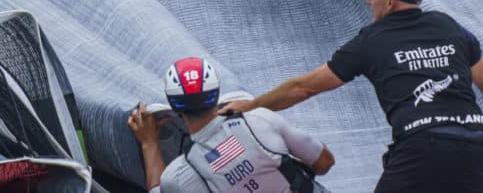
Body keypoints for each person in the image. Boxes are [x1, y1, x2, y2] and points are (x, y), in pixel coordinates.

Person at [220, 0, 483, 193]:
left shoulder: (372, 39)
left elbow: (303, 87)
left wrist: (252, 105)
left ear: (388, 1)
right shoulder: (449, 26)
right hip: (473, 146)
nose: (367, 1)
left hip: (421, 146)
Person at [128, 57, 334, 193]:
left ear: (174, 106)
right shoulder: (261, 119)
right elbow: (325, 162)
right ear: (216, 93)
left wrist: (149, 143)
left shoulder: (178, 176)